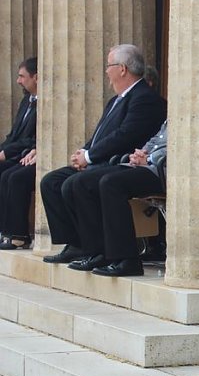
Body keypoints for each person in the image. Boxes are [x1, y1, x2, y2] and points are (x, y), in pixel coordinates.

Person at [40, 44, 167, 265]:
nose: (106, 71)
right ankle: (76, 243)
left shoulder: (143, 97)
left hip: (117, 161)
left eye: (109, 66)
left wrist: (90, 157)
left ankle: (98, 250)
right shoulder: (115, 100)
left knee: (76, 184)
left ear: (123, 69)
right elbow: (100, 134)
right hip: (100, 160)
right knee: (51, 181)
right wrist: (84, 152)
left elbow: (125, 136)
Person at [64, 120, 167, 276]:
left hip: (164, 171)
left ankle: (128, 260)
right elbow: (156, 139)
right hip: (146, 165)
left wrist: (150, 158)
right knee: (82, 182)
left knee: (111, 183)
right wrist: (140, 154)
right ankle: (99, 253)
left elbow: (184, 144)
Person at [0, 57, 38, 249]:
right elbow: (13, 135)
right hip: (19, 153)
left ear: (36, 77)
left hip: (29, 155)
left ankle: (18, 235)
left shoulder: (45, 104)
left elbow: (34, 138)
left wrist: (6, 153)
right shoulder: (26, 101)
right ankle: (4, 231)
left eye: (22, 76)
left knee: (12, 177)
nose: (18, 81)